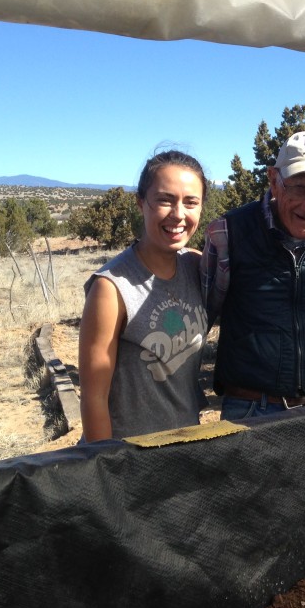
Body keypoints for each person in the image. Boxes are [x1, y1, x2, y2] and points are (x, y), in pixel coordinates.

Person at [201, 130, 305, 419]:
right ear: (273, 181)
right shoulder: (227, 232)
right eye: (299, 188)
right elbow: (199, 320)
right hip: (250, 409)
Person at [78, 150, 210, 440]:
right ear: (141, 203)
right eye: (165, 200)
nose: (178, 214)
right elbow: (93, 399)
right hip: (131, 455)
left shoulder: (196, 267)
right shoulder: (111, 288)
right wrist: (107, 468)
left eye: (191, 202)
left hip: (186, 444)